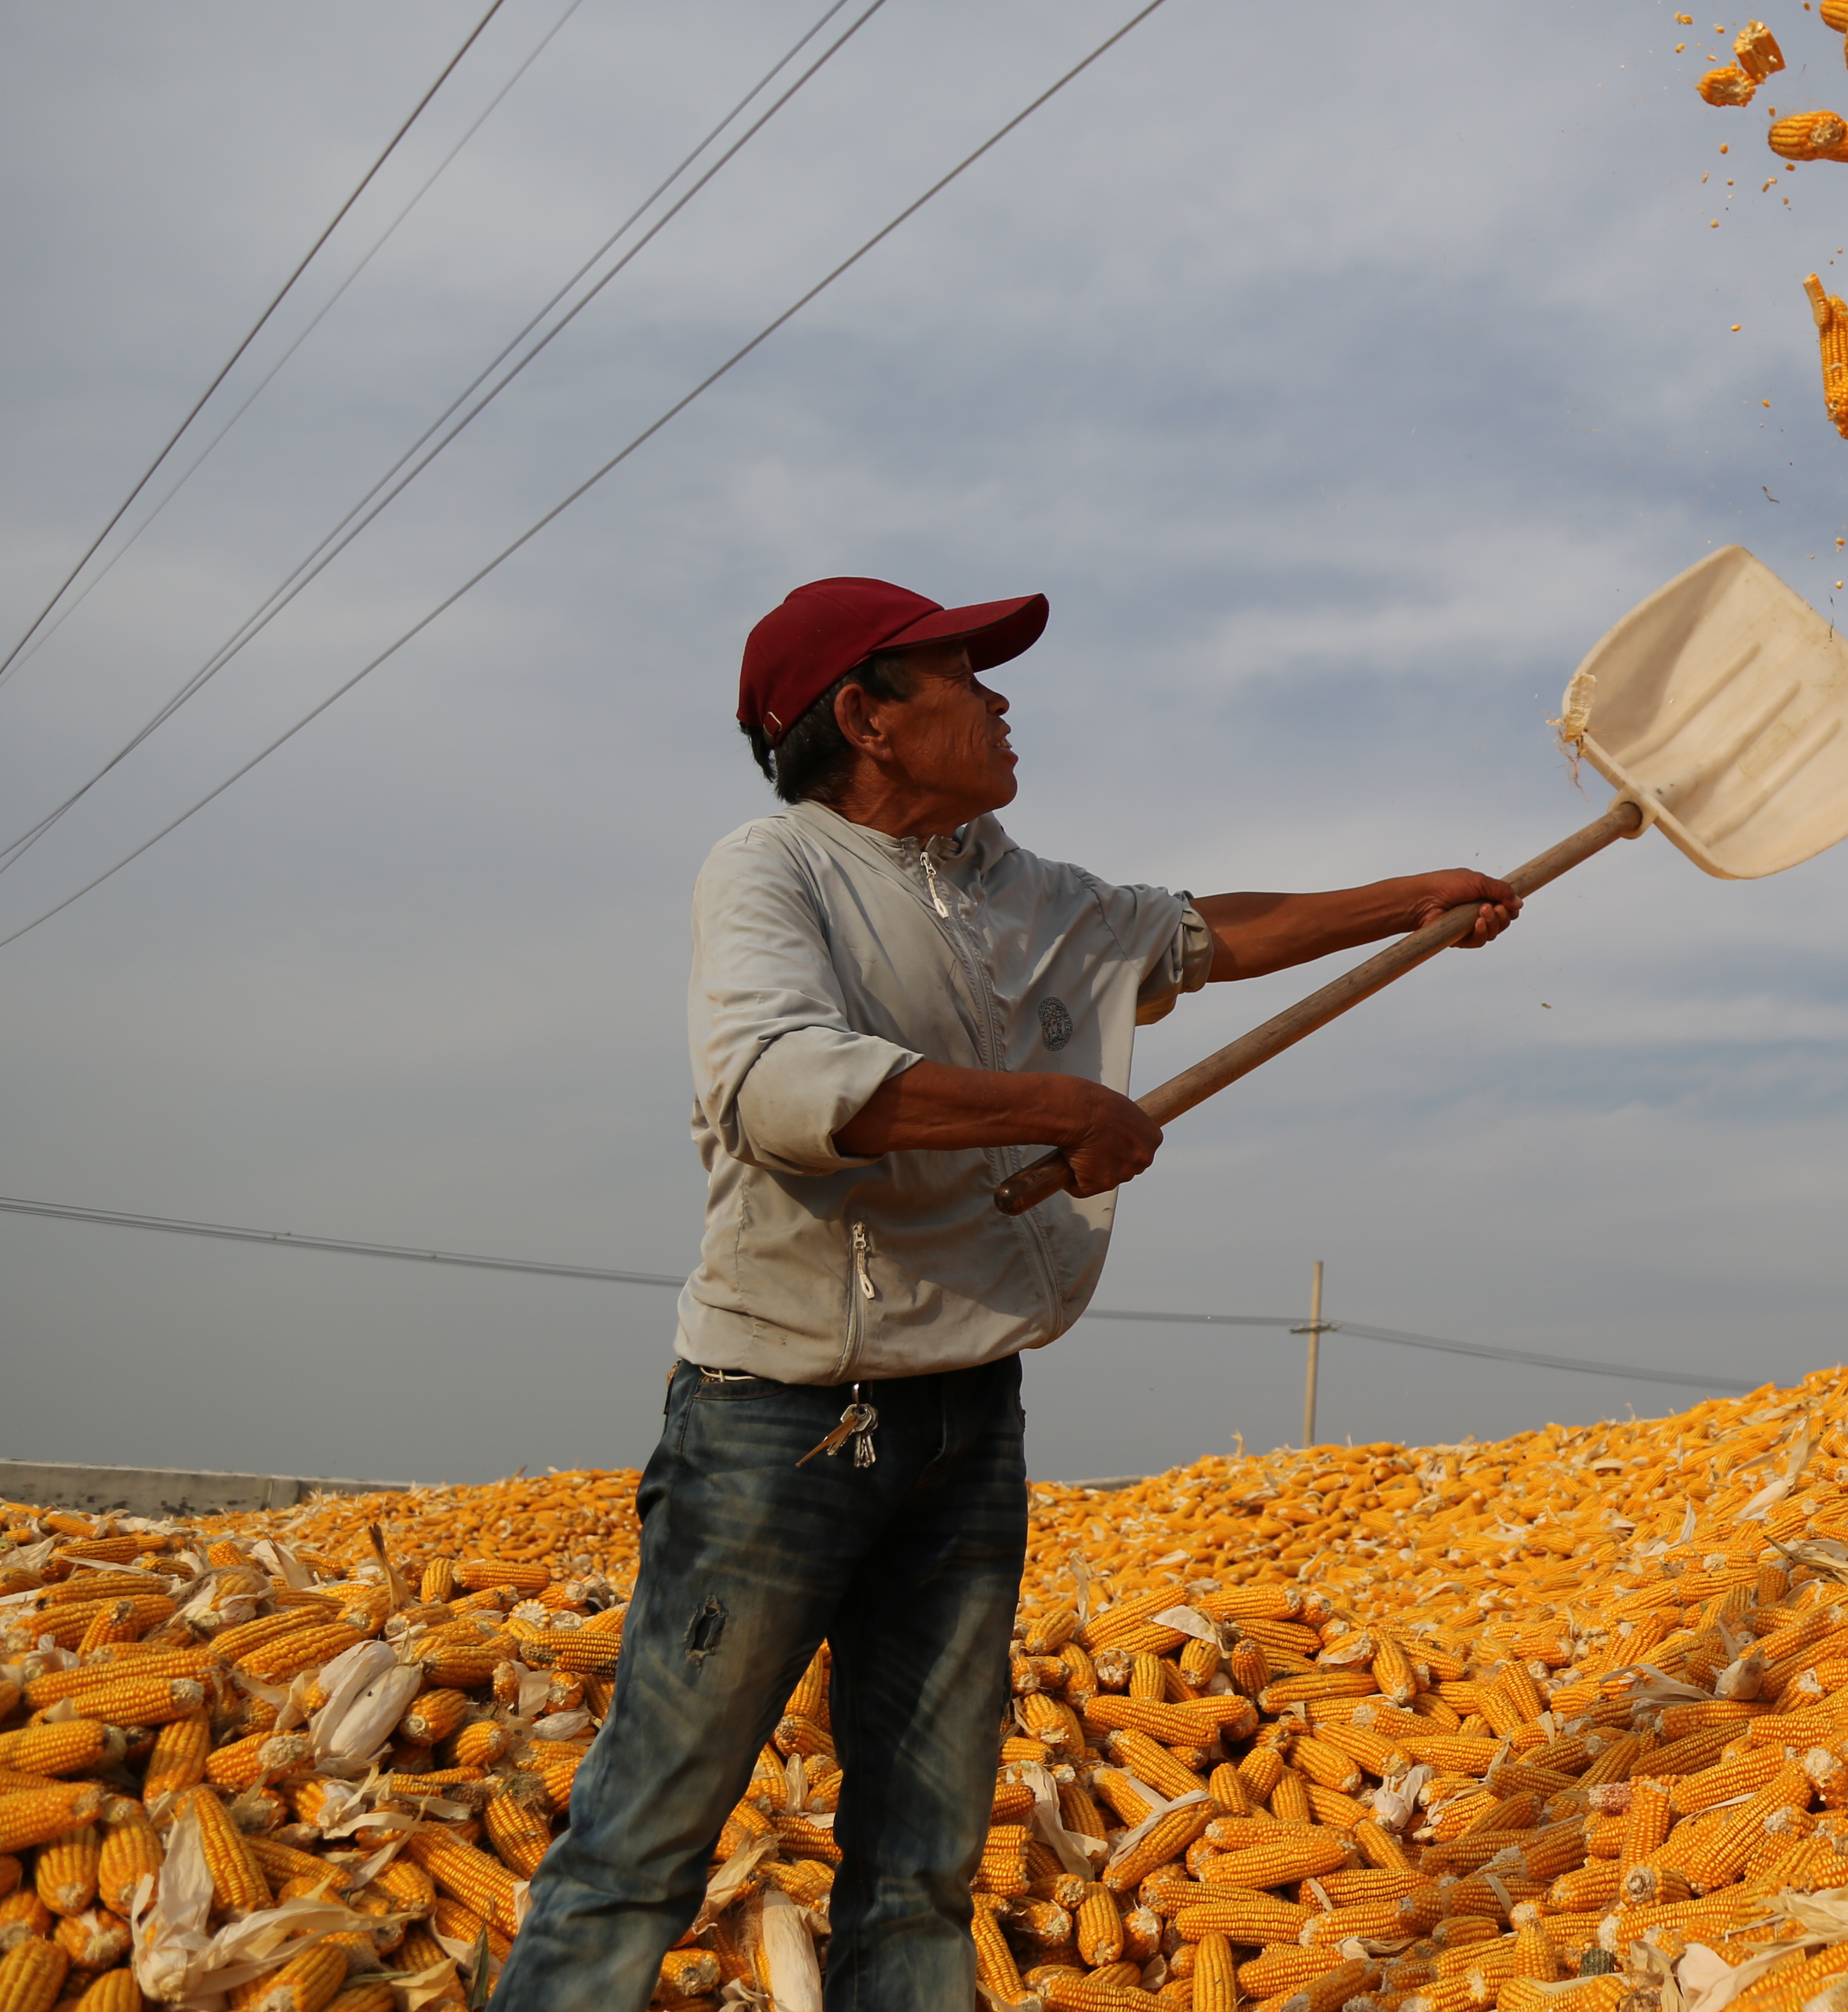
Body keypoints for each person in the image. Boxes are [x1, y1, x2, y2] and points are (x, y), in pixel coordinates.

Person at [493, 576, 1521, 2012]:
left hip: (965, 1422)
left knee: (923, 1865)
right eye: (963, 677)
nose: (1000, 700)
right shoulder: (771, 870)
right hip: (778, 1427)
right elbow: (778, 1086)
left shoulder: (1007, 883)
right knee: (646, 1841)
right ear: (867, 718)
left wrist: (1413, 899)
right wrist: (1052, 1105)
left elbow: (1192, 937)